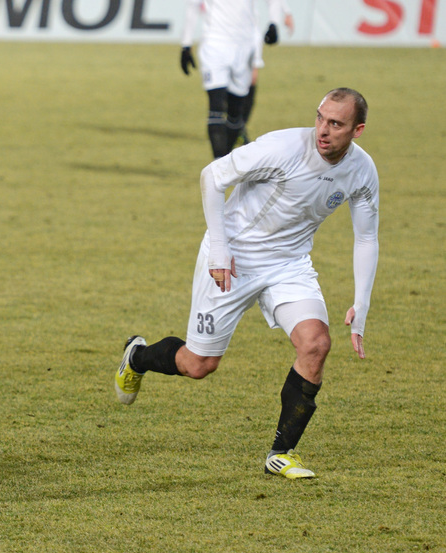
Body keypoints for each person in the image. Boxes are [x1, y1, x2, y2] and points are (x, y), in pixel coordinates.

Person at [115, 88, 378, 479]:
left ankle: (281, 453)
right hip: (232, 258)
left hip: (288, 264)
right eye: (320, 117)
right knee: (199, 365)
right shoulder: (283, 147)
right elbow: (212, 176)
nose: (322, 130)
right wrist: (220, 248)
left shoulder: (362, 170)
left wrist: (362, 303)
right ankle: (137, 356)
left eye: (335, 123)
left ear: (357, 130)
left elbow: (366, 236)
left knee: (316, 344)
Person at [180, 0, 288, 158]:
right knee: (216, 106)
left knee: (235, 111)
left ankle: (224, 162)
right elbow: (193, 5)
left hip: (244, 46)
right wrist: (186, 44)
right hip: (214, 44)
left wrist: (274, 23)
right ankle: (218, 164)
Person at [239, 1, 294, 144]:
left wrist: (281, 16)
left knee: (251, 79)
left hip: (250, 31)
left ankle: (240, 126)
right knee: (229, 79)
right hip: (223, 32)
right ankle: (230, 121)